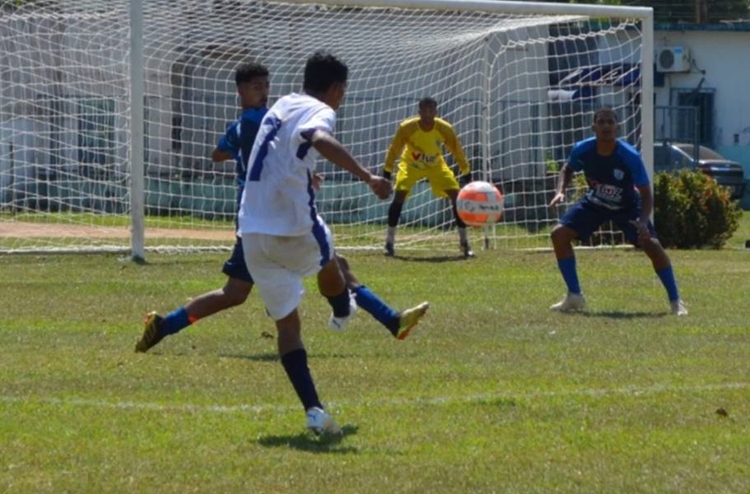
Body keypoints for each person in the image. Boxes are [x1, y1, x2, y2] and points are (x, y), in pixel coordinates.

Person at [136, 62, 429, 354]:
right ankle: (374, 317)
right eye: (256, 87)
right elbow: (273, 151)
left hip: (258, 212)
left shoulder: (249, 123)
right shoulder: (261, 119)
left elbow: (220, 153)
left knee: (240, 291)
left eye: (266, 85)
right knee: (322, 266)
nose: (264, 92)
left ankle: (165, 326)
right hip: (271, 214)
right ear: (240, 91)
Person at [238, 51, 392, 435]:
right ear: (337, 89)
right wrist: (367, 175)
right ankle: (342, 310)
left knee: (288, 327)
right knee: (331, 258)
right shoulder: (322, 111)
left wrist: (307, 172)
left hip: (251, 231)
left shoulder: (284, 103)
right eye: (343, 93)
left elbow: (282, 151)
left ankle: (314, 411)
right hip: (292, 227)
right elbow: (317, 137)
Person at [548, 107, 688, 316]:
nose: (606, 126)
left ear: (617, 127)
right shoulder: (583, 149)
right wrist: (560, 192)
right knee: (558, 234)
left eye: (610, 122)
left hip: (627, 206)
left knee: (652, 244)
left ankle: (676, 301)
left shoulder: (629, 155)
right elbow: (568, 169)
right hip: (595, 202)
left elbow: (646, 194)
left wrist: (642, 221)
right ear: (593, 126)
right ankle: (574, 296)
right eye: (601, 122)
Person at [381, 97, 474, 258]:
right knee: (400, 194)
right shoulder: (407, 128)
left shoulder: (445, 128)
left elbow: (456, 149)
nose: (428, 113)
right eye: (424, 110)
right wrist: (387, 172)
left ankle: (464, 243)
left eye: (431, 110)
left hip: (436, 165)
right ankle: (389, 242)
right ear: (419, 112)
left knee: (456, 197)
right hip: (411, 164)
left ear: (436, 112)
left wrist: (466, 171)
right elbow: (394, 149)